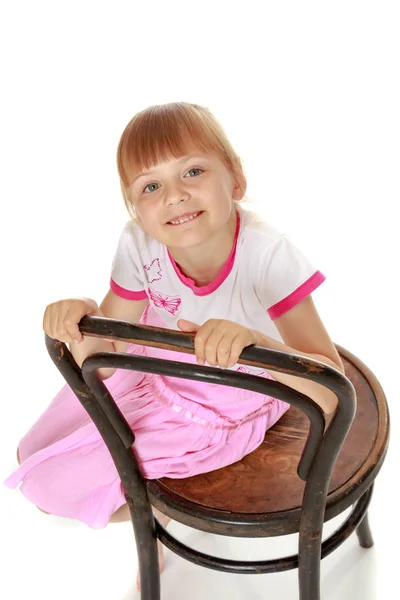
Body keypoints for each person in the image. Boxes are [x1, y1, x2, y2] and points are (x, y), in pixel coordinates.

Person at [4, 101, 344, 591]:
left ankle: (153, 520)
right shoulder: (139, 244)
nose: (176, 195)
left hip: (224, 401)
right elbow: (99, 352)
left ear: (236, 180)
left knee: (57, 486)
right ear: (135, 210)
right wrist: (79, 315)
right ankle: (150, 518)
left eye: (194, 170)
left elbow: (330, 393)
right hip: (151, 370)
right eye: (151, 186)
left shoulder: (268, 256)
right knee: (34, 459)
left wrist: (257, 344)